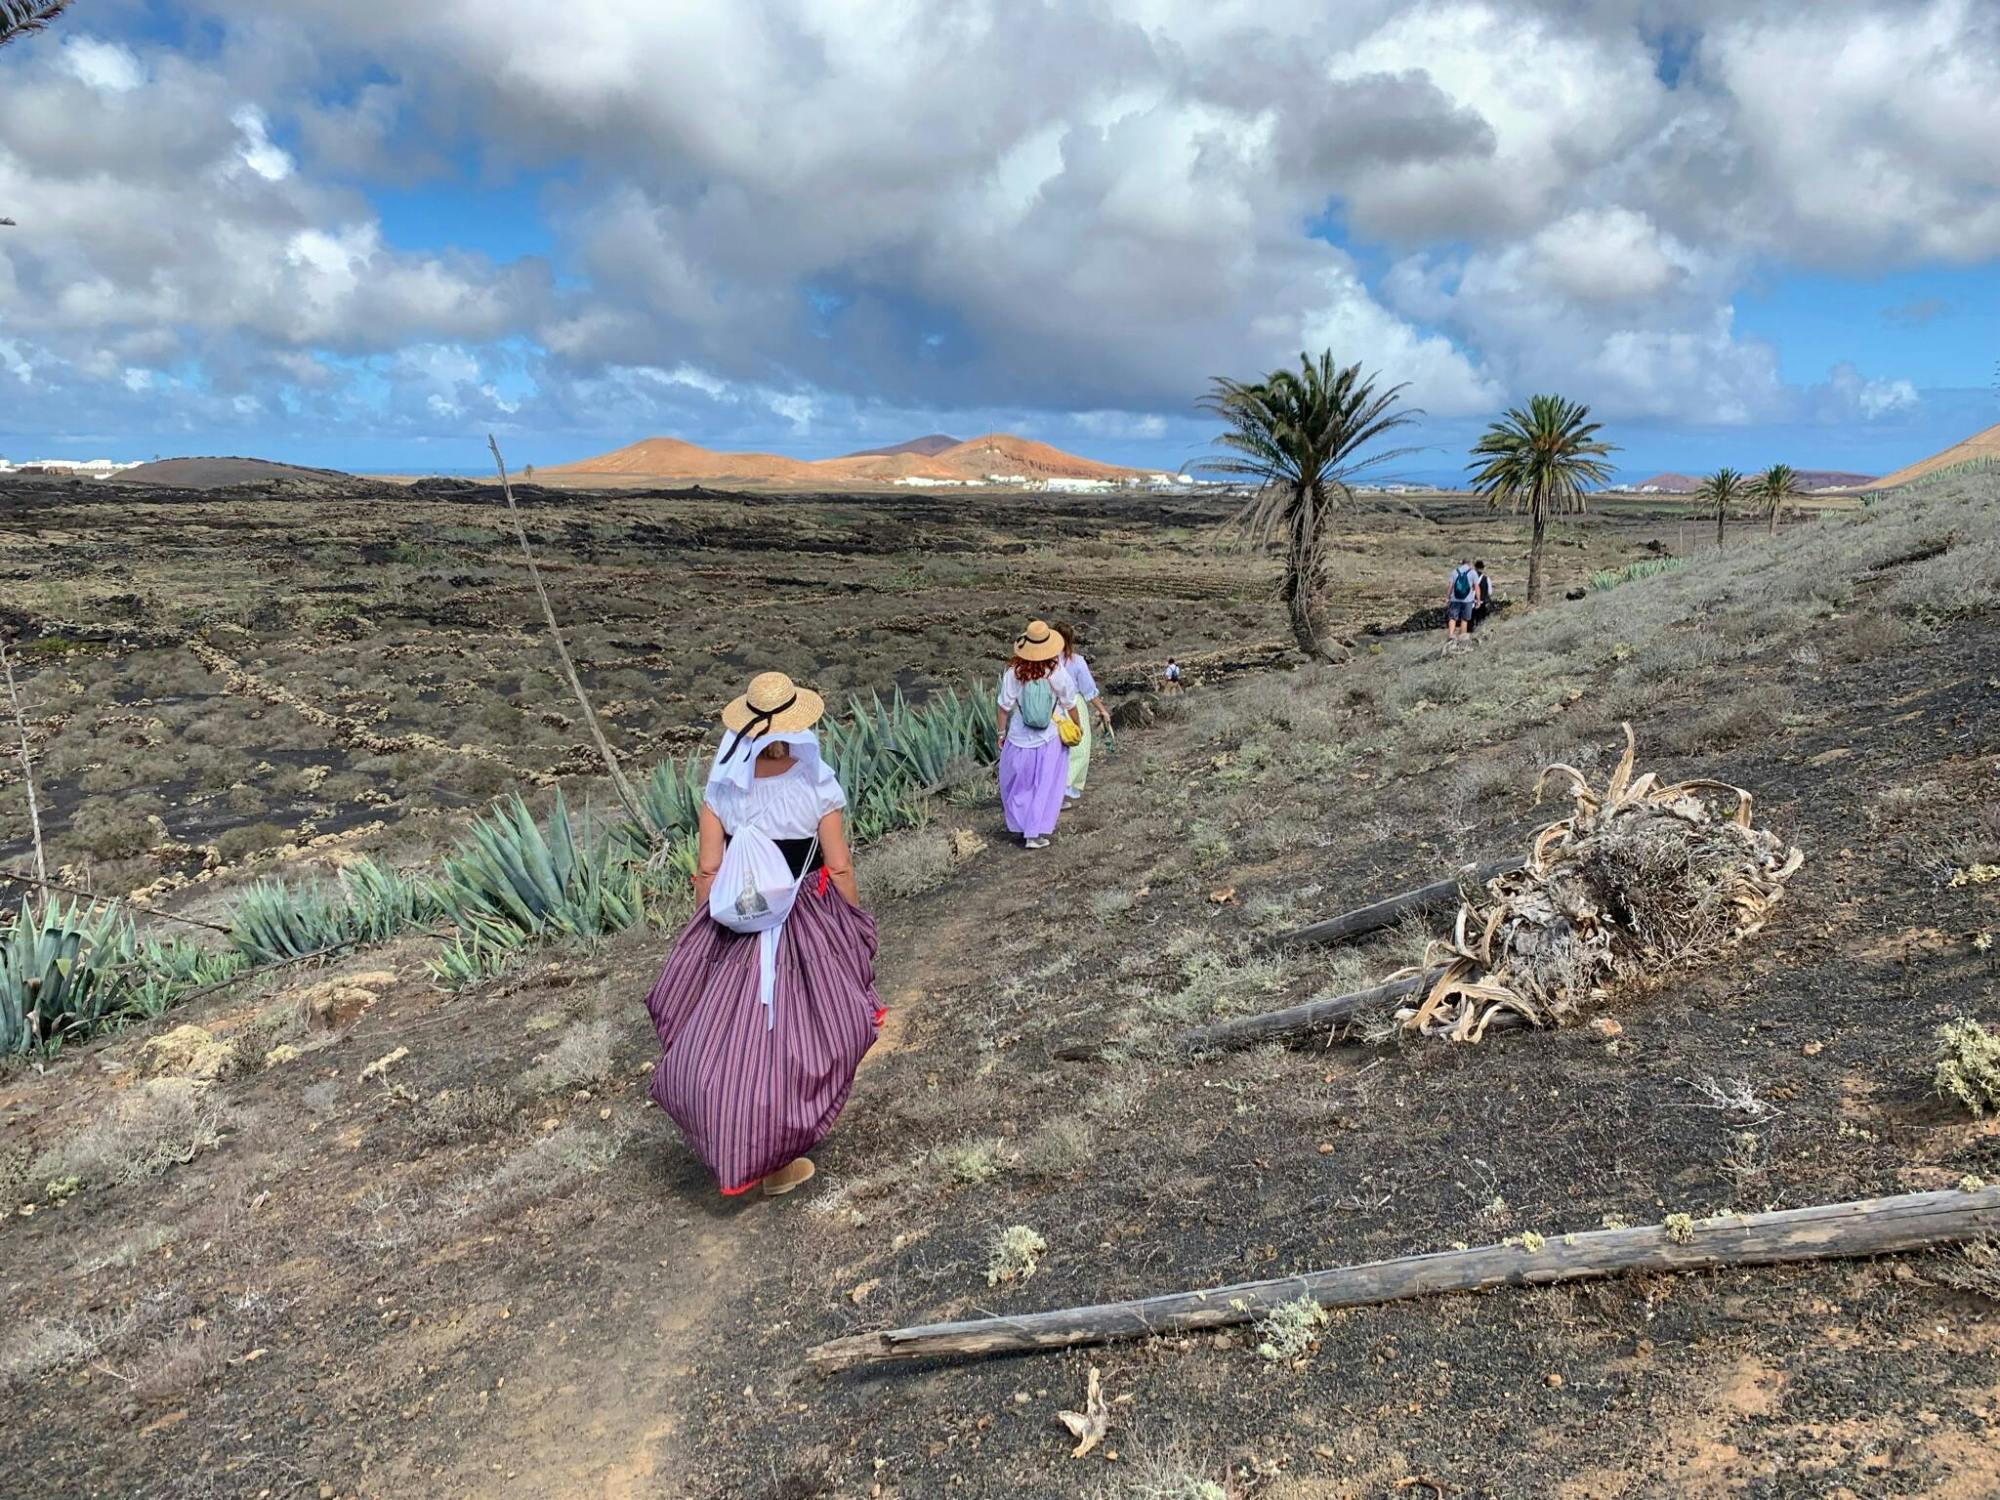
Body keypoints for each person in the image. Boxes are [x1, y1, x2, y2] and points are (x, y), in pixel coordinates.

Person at [641, 671, 883, 1198]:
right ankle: (782, 1147)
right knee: (808, 1034)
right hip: (806, 921)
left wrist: (707, 934)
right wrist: (852, 926)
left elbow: (708, 871)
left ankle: (743, 1141)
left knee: (736, 1041)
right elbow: (838, 867)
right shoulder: (815, 779)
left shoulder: (723, 785)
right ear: (796, 724)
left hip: (739, 921)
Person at [997, 619, 1080, 849]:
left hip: (1018, 737)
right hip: (1048, 738)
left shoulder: (1014, 673)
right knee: (1044, 785)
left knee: (1017, 784)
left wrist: (1000, 733)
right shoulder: (1055, 671)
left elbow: (1003, 707)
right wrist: (1076, 725)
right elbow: (1070, 702)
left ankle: (1021, 825)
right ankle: (1034, 833)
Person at [1053, 619, 1114, 804]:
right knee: (1079, 747)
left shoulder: (1045, 661)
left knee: (1054, 749)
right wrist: (1103, 710)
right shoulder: (1077, 662)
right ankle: (1065, 789)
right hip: (1073, 705)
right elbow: (1089, 690)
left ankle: (1052, 788)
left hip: (1051, 707)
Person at [1445, 558, 1479, 643]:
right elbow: (1477, 587)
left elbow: (1450, 586)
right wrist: (1478, 600)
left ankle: (1451, 635)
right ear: (1470, 563)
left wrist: (1448, 597)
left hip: (1455, 599)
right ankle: (1462, 637)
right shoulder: (1473, 572)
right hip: (1467, 600)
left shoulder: (1455, 571)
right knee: (1465, 619)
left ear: (1462, 563)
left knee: (1452, 618)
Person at [1468, 559, 1494, 634]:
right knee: (1480, 623)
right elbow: (1490, 592)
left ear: (1475, 568)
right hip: (1482, 603)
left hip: (1471, 603)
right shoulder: (1486, 579)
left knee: (1470, 624)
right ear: (1482, 568)